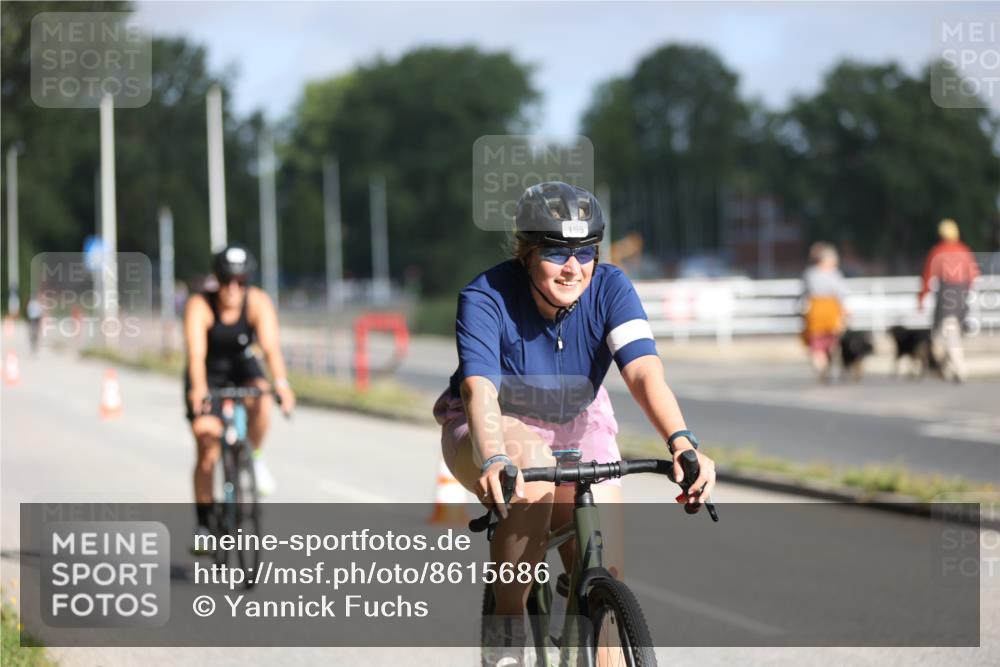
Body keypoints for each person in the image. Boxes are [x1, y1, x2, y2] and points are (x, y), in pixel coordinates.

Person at [433, 182, 716, 662]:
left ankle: (590, 612)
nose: (573, 267)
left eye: (585, 252)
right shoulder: (485, 296)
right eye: (555, 252)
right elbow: (478, 389)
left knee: (605, 578)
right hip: (493, 422)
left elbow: (643, 370)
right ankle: (506, 636)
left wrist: (681, 441)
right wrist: (497, 455)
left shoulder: (611, 287)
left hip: (579, 418)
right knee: (531, 473)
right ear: (526, 253)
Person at [183, 245, 295, 546]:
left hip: (243, 365)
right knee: (207, 443)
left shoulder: (257, 301)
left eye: (241, 281)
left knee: (262, 396)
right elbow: (195, 354)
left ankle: (254, 455)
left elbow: (270, 349)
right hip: (208, 371)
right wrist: (198, 390)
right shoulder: (200, 305)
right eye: (226, 281)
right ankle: (205, 524)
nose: (233, 288)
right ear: (215, 280)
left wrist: (282, 384)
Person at [918, 218, 980, 383]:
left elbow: (927, 277)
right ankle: (949, 368)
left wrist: (921, 298)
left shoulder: (938, 252)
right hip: (960, 300)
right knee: (946, 336)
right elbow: (973, 276)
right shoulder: (964, 250)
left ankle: (959, 369)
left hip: (946, 300)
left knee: (945, 336)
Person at [800, 242, 849, 383]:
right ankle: (830, 367)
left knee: (816, 345)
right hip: (832, 311)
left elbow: (804, 294)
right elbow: (842, 294)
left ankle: (822, 367)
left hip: (815, 312)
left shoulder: (810, 274)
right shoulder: (835, 274)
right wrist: (845, 311)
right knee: (832, 343)